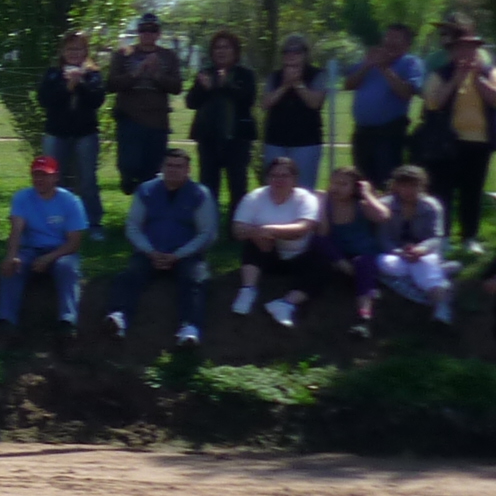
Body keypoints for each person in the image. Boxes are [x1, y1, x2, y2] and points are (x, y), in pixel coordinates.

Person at [104, 146, 217, 346]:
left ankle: (189, 328)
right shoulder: (146, 191)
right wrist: (150, 251)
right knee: (129, 274)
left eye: (179, 166)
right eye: (169, 165)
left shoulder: (200, 194)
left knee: (196, 279)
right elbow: (133, 226)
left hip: (187, 254)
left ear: (188, 170)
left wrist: (179, 255)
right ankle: (118, 317)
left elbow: (206, 233)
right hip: (150, 252)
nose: (173, 170)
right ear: (162, 167)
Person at [0, 152, 87, 337]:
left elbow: (74, 242)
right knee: (13, 268)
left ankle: (67, 323)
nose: (40, 179)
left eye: (45, 175)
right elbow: (16, 230)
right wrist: (11, 255)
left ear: (55, 177)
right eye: (36, 174)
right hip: (30, 250)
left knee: (67, 268)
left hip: (61, 251)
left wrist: (49, 258)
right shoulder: (22, 198)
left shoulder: (71, 201)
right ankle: (6, 322)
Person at [418, 29, 493, 255]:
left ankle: (470, 237)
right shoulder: (440, 73)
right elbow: (434, 103)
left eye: (472, 47)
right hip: (447, 143)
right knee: (443, 192)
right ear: (453, 50)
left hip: (479, 142)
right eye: (462, 47)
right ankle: (444, 237)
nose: (468, 52)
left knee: (473, 191)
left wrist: (477, 78)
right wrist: (455, 80)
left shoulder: (488, 73)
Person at [231, 154, 323, 328]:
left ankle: (285, 304)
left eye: (284, 176)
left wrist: (268, 230)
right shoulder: (255, 197)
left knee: (322, 262)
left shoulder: (306, 199)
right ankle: (247, 290)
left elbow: (303, 228)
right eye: (274, 175)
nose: (279, 180)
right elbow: (237, 230)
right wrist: (257, 233)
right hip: (268, 255)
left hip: (300, 256)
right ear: (267, 178)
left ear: (294, 179)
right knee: (253, 243)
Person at [105, 11, 184, 195]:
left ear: (158, 33)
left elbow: (176, 87)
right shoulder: (124, 54)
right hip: (129, 120)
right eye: (143, 30)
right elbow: (111, 84)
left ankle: (146, 212)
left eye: (152, 30)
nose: (148, 34)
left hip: (157, 122)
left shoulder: (168, 56)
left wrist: (157, 74)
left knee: (152, 173)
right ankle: (128, 183)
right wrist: (136, 72)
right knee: (128, 165)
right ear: (138, 32)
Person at [186, 28, 258, 226]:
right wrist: (203, 88)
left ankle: (237, 229)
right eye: (217, 47)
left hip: (238, 138)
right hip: (208, 138)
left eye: (226, 47)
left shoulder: (245, 74)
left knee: (237, 185)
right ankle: (209, 227)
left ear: (235, 51)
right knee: (208, 185)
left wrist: (224, 85)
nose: (221, 51)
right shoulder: (205, 73)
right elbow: (190, 102)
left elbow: (248, 99)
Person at [36, 30, 107, 229]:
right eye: (70, 48)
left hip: (85, 134)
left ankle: (93, 223)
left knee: (87, 180)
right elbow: (44, 100)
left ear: (85, 51)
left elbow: (97, 100)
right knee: (53, 179)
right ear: (62, 51)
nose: (74, 52)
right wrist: (67, 87)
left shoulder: (93, 74)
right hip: (56, 133)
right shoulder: (53, 73)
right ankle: (54, 222)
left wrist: (80, 83)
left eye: (78, 48)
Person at [311, 166, 389, 337]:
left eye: (343, 184)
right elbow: (322, 234)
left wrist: (367, 194)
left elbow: (383, 216)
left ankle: (364, 319)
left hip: (362, 254)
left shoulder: (361, 205)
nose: (336, 188)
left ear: (355, 187)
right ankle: (352, 274)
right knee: (317, 241)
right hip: (338, 255)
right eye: (333, 183)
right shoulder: (327, 203)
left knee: (363, 263)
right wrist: (322, 203)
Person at [377, 163, 459, 323]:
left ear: (422, 186)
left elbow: (436, 237)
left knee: (425, 266)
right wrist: (401, 252)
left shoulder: (431, 206)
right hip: (397, 254)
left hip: (424, 254)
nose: (409, 191)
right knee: (385, 264)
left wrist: (421, 250)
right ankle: (438, 272)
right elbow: (383, 238)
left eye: (414, 186)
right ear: (396, 186)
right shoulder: (386, 205)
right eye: (404, 186)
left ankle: (441, 306)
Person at [348, 21, 426, 186]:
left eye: (395, 39)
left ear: (406, 44)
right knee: (362, 182)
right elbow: (349, 85)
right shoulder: (370, 61)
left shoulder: (410, 63)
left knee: (388, 181)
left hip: (389, 133)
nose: (389, 43)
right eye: (387, 37)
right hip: (363, 133)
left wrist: (385, 68)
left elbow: (406, 93)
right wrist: (367, 65)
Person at [261, 35, 327, 194]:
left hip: (307, 141)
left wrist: (297, 84)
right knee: (274, 188)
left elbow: (315, 103)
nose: (291, 54)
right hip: (275, 140)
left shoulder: (318, 74)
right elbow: (265, 104)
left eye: (296, 51)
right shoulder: (274, 76)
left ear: (305, 54)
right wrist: (284, 85)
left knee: (303, 189)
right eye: (286, 51)